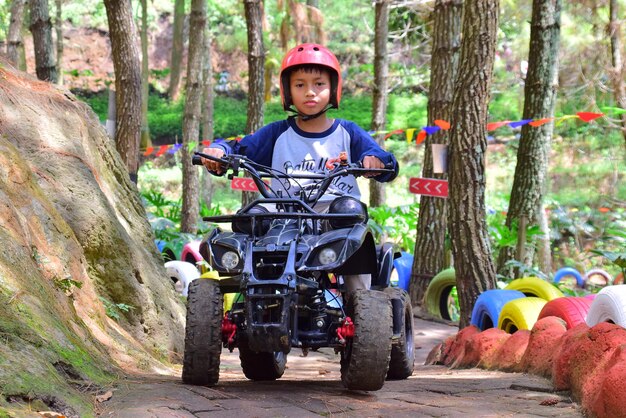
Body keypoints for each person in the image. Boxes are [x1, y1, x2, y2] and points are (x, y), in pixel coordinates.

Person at [201, 43, 399, 292]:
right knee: (248, 218)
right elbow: (240, 149)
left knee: (351, 212)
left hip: (333, 215)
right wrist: (221, 152)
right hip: (282, 215)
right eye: (300, 85)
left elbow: (381, 157)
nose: (310, 92)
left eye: (319, 84)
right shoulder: (277, 133)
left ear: (333, 89)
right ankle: (251, 296)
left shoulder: (347, 132)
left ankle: (361, 306)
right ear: (288, 91)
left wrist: (376, 161)